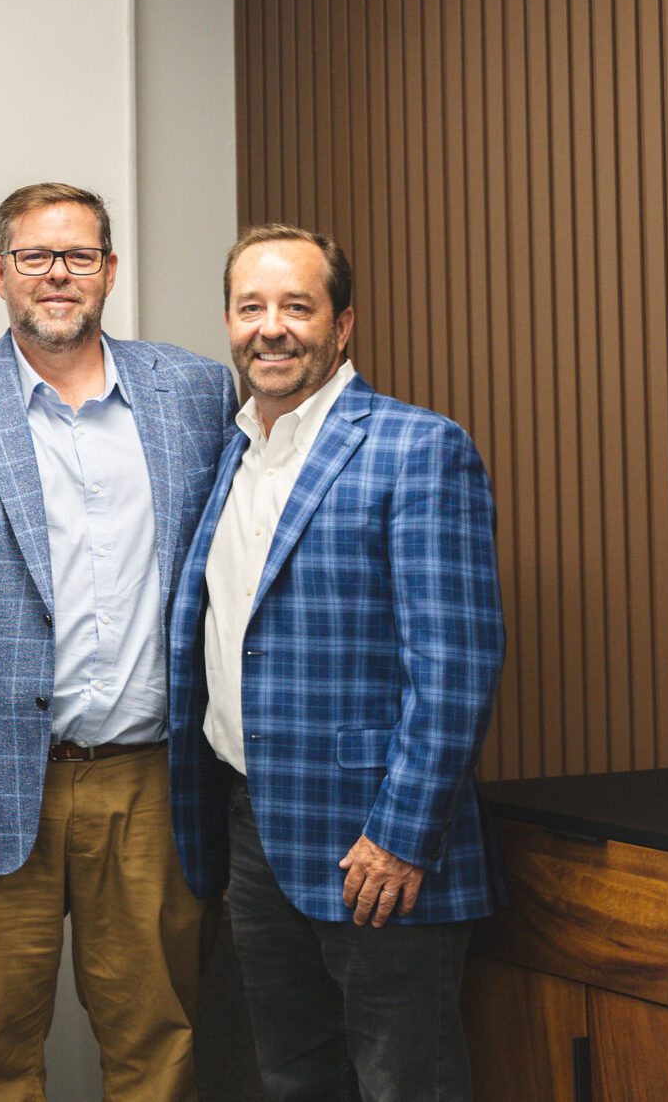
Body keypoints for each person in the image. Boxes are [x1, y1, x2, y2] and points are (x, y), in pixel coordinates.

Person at [0, 183, 236, 1101]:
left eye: (78, 256)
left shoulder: (195, 392)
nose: (58, 275)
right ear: (0, 273)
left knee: (158, 1042)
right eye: (35, 256)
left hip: (151, 781)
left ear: (110, 270)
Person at [167, 224, 504, 1101]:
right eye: (250, 307)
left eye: (297, 306)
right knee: (293, 1079)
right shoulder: (233, 452)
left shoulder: (418, 448)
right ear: (230, 322)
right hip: (255, 832)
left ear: (342, 324)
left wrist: (400, 835)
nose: (271, 327)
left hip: (376, 845)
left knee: (407, 1084)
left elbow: (456, 668)